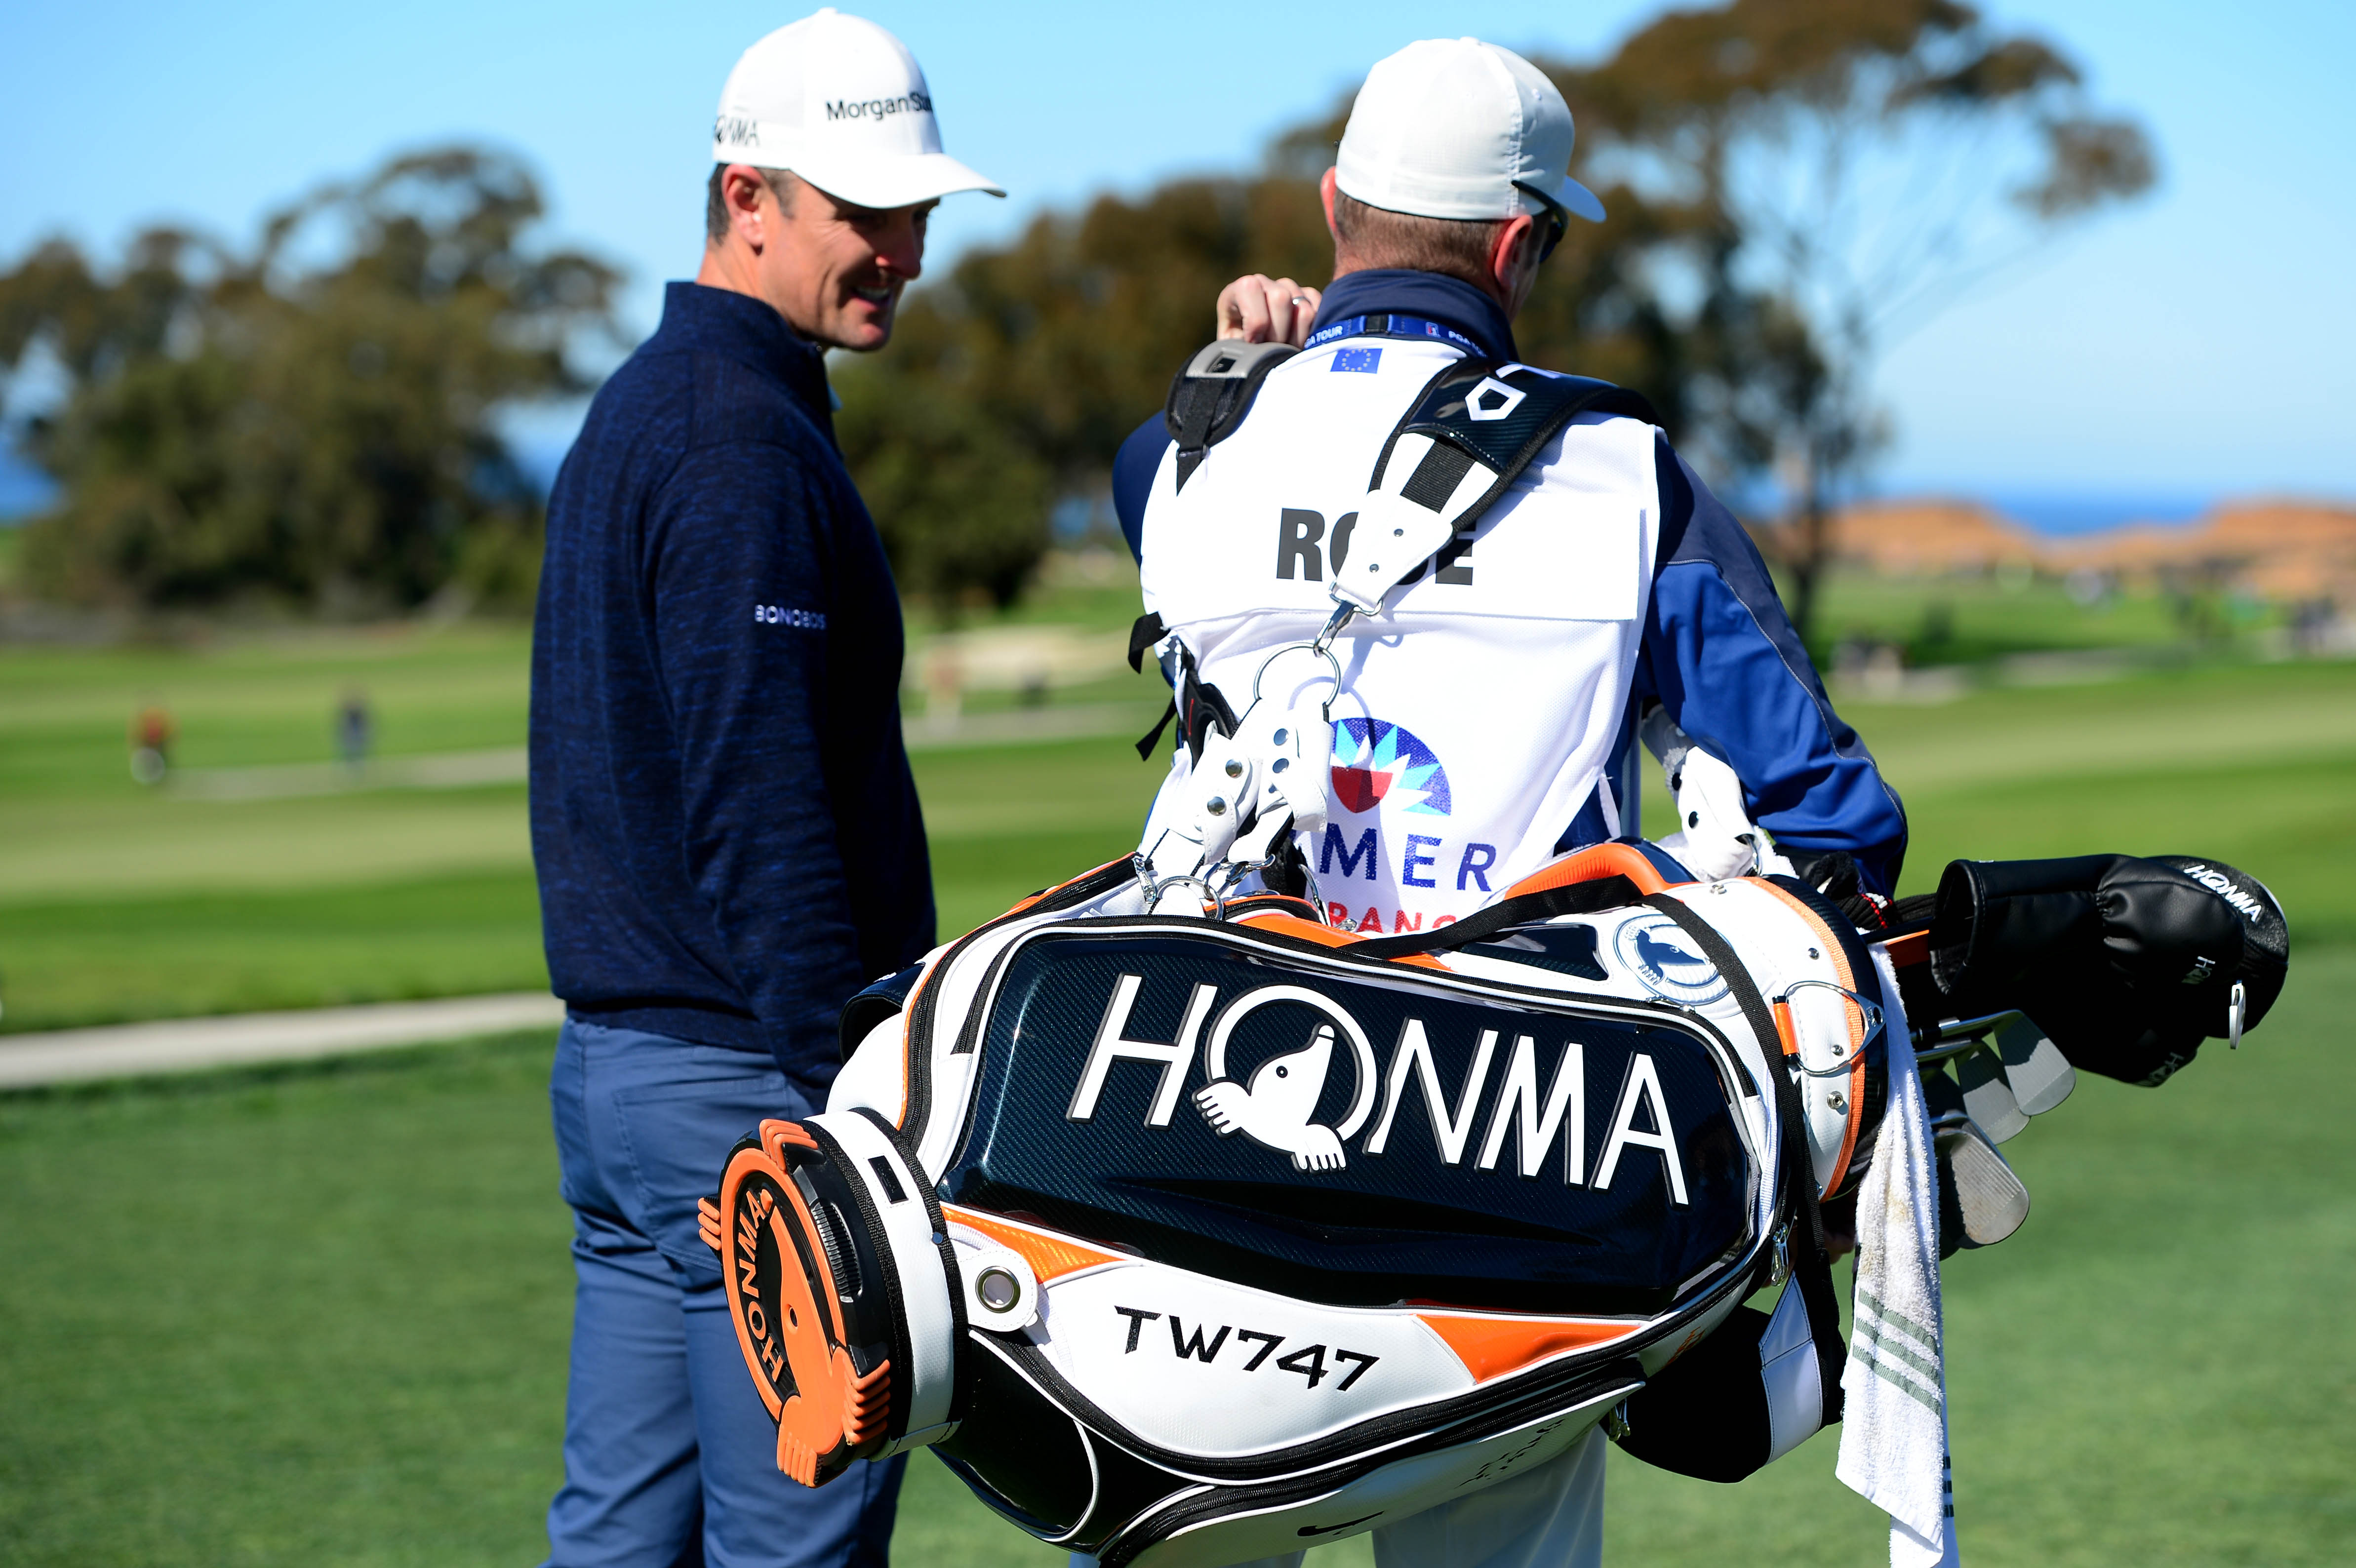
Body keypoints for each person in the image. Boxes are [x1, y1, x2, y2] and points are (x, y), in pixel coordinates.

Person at [1104, 36, 1908, 1568]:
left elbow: (1196, 486)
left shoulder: (1176, 457)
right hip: (1495, 1154)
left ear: (1332, 206)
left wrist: (1256, 363)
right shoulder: (1621, 477)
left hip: (1181, 1129)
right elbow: (1831, 820)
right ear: (1520, 241)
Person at [526, 11, 1000, 1566]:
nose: (901, 250)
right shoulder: (738, 444)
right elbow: (758, 802)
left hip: (625, 1081)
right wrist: (854, 1097)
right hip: (748, 1089)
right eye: (863, 213)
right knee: (797, 1544)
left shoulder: (649, 404)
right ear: (749, 198)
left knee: (620, 1543)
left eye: (914, 212)